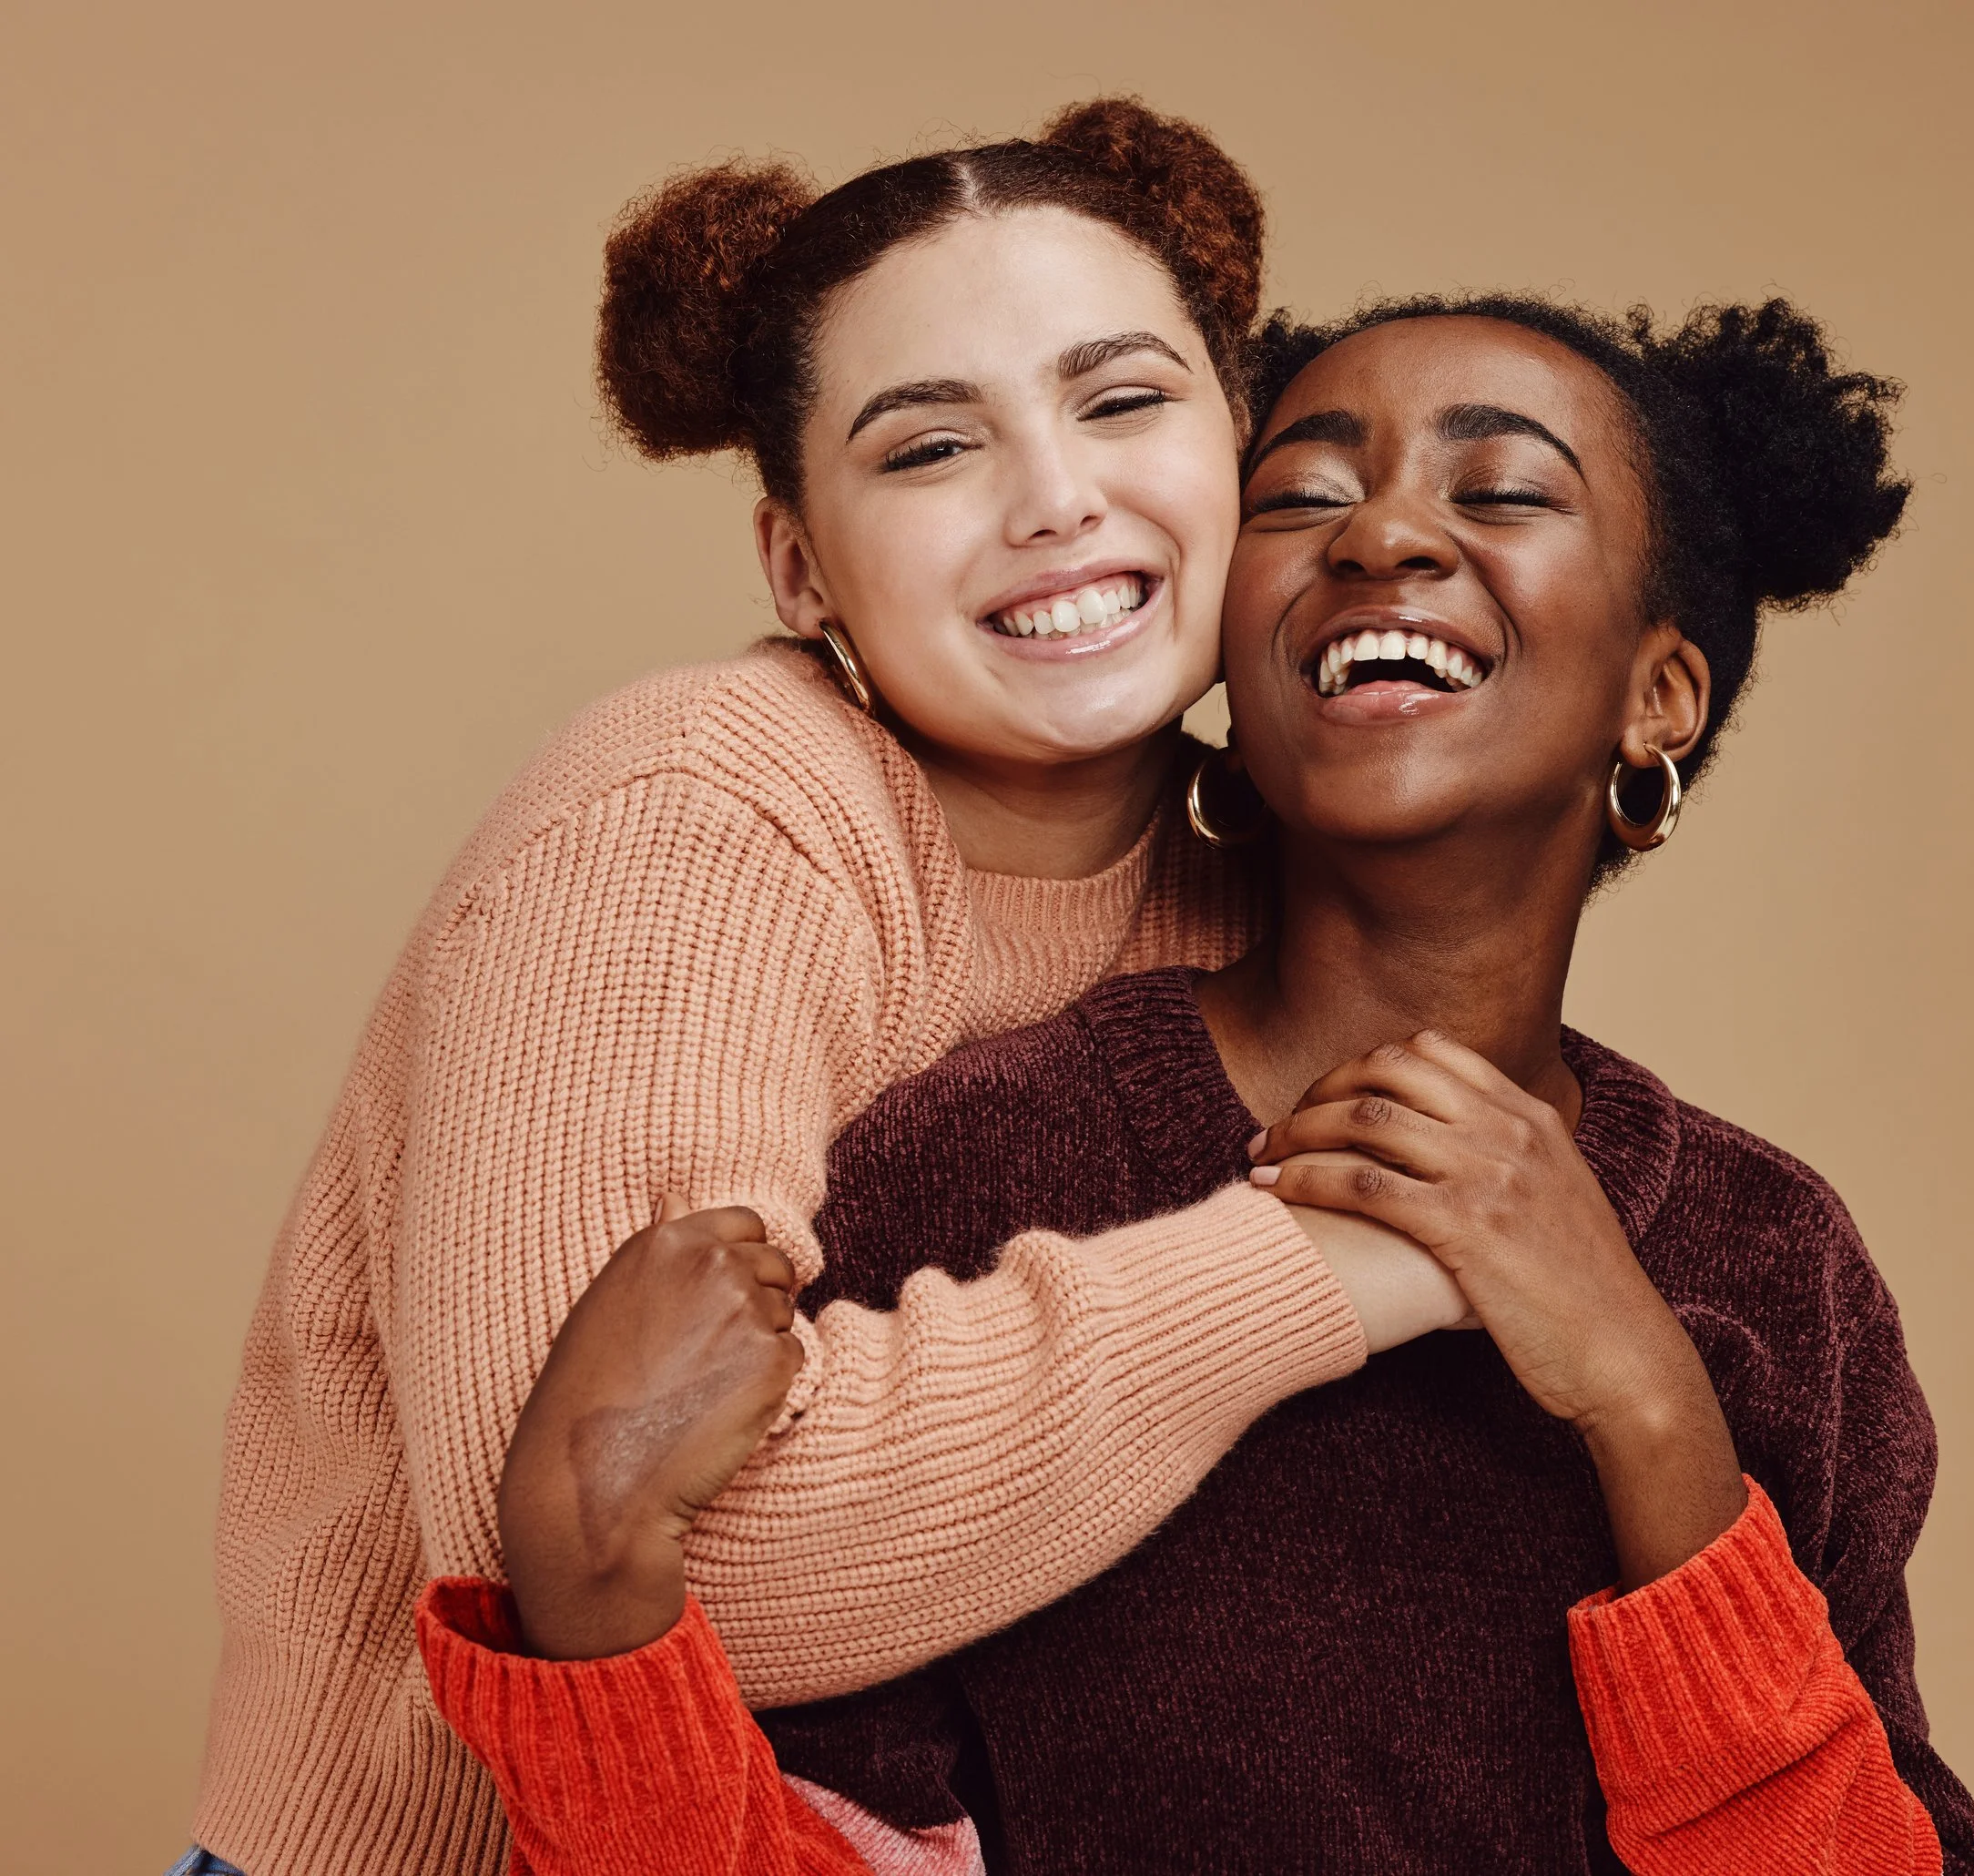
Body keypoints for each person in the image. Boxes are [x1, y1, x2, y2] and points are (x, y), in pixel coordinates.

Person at [416, 296, 1974, 1874]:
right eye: (1301, 497)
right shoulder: (974, 1162)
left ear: (1661, 697)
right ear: (1234, 663)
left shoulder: (1776, 1262)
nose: (1380, 533)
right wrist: (598, 1585)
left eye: (1500, 491)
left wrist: (1651, 1408)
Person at [188, 101, 1468, 1876]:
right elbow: (636, 1553)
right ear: (801, 565)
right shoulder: (694, 818)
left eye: (1121, 400)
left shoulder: (1269, 875)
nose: (1055, 497)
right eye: (931, 447)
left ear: (1243, 445)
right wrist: (1327, 1261)